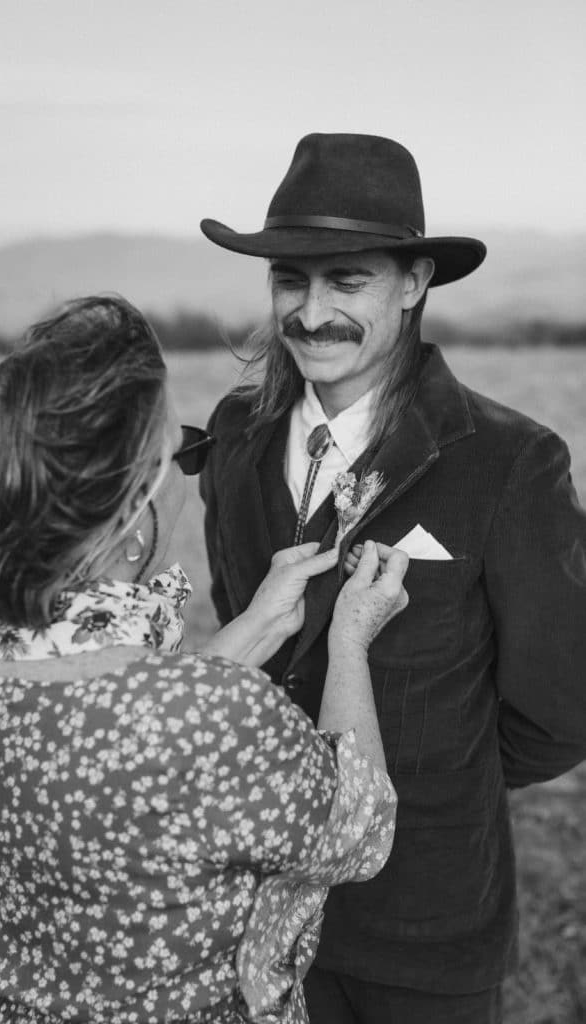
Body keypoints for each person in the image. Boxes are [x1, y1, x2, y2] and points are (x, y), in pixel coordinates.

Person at [0, 295, 408, 1024]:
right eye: (184, 454)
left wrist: (262, 620)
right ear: (132, 521)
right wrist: (349, 641)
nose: (189, 475)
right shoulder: (207, 719)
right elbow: (360, 830)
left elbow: (117, 722)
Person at [199, 133, 586, 1023]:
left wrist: (437, 780)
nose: (309, 311)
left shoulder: (508, 461)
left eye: (346, 281)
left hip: (424, 919)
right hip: (246, 907)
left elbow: (564, 708)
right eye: (290, 281)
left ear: (413, 284)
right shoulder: (231, 436)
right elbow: (247, 639)